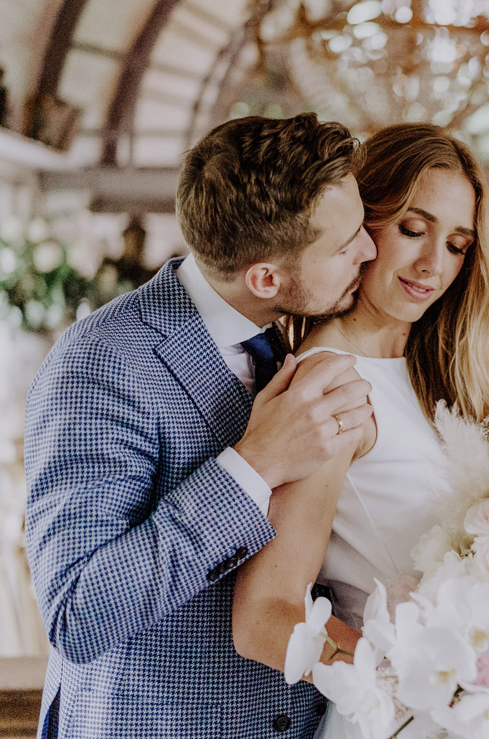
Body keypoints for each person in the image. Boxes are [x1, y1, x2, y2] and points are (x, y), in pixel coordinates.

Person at [23, 113, 378, 739]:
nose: (369, 250)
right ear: (266, 277)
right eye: (347, 245)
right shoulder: (99, 363)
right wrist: (254, 465)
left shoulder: (284, 335)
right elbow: (78, 614)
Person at [231, 123, 489, 739]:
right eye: (413, 230)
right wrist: (414, 688)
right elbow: (266, 616)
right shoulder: (331, 385)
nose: (434, 264)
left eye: (458, 244)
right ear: (362, 222)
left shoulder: (442, 381)